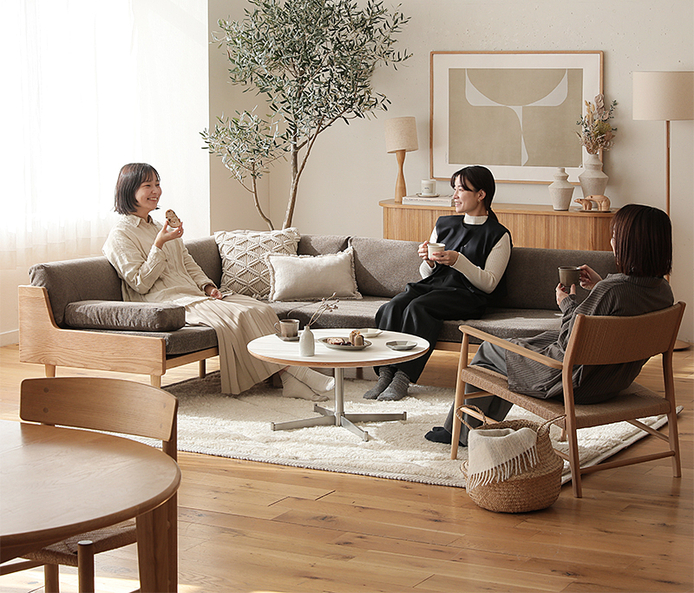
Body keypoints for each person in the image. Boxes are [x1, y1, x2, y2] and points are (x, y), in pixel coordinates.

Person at [426, 203, 675, 447]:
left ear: (630, 244)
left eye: (615, 236)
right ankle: (478, 429)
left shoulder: (611, 291)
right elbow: (617, 312)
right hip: (611, 381)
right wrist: (599, 286)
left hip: (571, 383)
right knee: (515, 349)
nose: (611, 241)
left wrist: (567, 303)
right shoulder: (663, 291)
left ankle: (459, 432)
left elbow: (569, 345)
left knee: (489, 350)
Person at [102, 163, 333, 400]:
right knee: (239, 315)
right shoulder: (120, 235)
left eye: (157, 184)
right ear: (129, 190)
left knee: (261, 309)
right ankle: (299, 373)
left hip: (193, 295)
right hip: (165, 302)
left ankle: (288, 379)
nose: (155, 191)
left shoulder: (161, 227)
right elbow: (140, 283)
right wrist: (159, 245)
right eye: (147, 185)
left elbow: (187, 262)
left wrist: (208, 286)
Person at [365, 165, 512, 401]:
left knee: (418, 308)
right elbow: (427, 274)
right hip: (433, 287)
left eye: (461, 189)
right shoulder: (444, 224)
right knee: (391, 307)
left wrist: (458, 260)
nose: (454, 196)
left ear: (481, 194)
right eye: (455, 189)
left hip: (468, 295)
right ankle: (385, 373)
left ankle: (403, 377)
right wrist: (429, 261)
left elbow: (489, 284)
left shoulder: (498, 234)